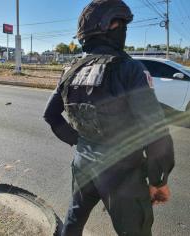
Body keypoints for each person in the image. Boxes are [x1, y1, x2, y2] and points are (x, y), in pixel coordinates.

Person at [43, 0, 175, 235]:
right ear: (108, 27)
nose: (124, 30)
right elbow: (155, 132)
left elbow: (51, 115)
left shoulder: (71, 69)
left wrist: (80, 142)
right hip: (121, 172)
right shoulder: (129, 68)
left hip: (83, 163)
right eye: (122, 24)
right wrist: (158, 180)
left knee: (74, 220)